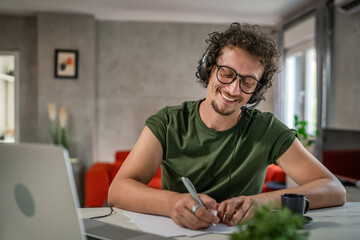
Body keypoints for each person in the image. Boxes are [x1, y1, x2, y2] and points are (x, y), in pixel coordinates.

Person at [108, 22, 346, 230]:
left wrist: (262, 201)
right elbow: (117, 191)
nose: (234, 89)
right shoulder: (168, 122)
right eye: (227, 73)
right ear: (209, 70)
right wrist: (172, 204)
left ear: (257, 91)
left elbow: (334, 189)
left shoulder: (268, 130)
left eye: (248, 81)